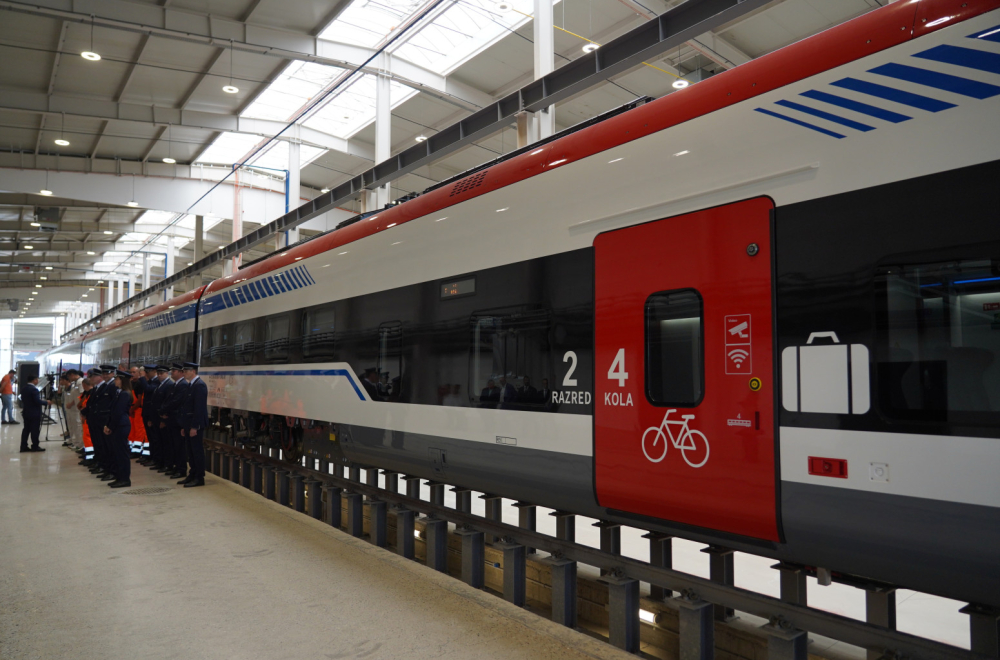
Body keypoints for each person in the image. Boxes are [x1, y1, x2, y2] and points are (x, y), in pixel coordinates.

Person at [177, 362, 208, 488]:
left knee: (196, 451)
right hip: (188, 424)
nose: (184, 373)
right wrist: (184, 426)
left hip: (195, 425)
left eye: (186, 371)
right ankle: (193, 473)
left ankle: (199, 477)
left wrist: (195, 427)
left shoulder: (199, 385)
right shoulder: (191, 385)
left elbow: (199, 408)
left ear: (193, 371)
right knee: (190, 451)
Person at [103, 369, 133, 488]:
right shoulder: (119, 392)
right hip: (117, 425)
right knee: (117, 453)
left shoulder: (125, 394)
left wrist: (110, 426)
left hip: (121, 425)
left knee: (122, 454)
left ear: (122, 380)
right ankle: (119, 477)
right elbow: (112, 411)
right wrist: (108, 424)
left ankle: (125, 479)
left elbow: (118, 412)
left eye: (117, 378)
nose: (115, 380)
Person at [159, 363, 189, 479]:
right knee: (173, 445)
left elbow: (176, 401)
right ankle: (176, 467)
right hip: (171, 419)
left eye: (174, 371)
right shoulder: (175, 384)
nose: (172, 372)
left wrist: (163, 410)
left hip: (177, 420)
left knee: (179, 446)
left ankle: (181, 469)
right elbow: (168, 400)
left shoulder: (183, 385)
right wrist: (164, 411)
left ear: (181, 372)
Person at [90, 366, 119, 482]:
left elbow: (112, 405)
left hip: (106, 421)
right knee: (103, 446)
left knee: (109, 448)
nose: (105, 375)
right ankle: (106, 467)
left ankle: (111, 470)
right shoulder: (106, 386)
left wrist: (109, 422)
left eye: (108, 373)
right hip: (100, 420)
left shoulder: (112, 386)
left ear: (113, 374)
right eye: (104, 373)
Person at [147, 365, 175, 474]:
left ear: (167, 373)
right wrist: (151, 418)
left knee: (165, 443)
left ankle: (167, 464)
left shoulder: (169, 385)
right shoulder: (160, 384)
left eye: (161, 373)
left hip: (162, 418)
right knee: (158, 441)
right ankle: (160, 462)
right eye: (158, 373)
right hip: (156, 418)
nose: (159, 375)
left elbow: (167, 402)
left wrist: (163, 420)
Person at [18, 374, 46, 452]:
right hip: (34, 413)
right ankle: (35, 446)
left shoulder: (24, 388)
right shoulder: (34, 390)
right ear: (34, 380)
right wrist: (46, 402)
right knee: (35, 430)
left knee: (26, 430)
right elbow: (37, 401)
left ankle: (23, 446)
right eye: (37, 379)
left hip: (26, 411)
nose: (38, 381)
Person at [137, 365, 157, 465]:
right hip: (147, 413)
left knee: (153, 438)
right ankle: (150, 456)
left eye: (148, 372)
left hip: (152, 414)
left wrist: (142, 377)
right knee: (150, 437)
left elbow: (148, 389)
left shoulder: (156, 381)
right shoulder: (150, 381)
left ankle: (154, 458)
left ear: (154, 371)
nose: (147, 374)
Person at [128, 366, 148, 459]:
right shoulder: (131, 383)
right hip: (132, 409)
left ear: (139, 373)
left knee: (139, 430)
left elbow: (139, 400)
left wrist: (132, 410)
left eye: (134, 372)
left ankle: (137, 451)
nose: (132, 374)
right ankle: (133, 449)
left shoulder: (140, 383)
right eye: (131, 372)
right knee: (132, 430)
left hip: (138, 409)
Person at [77, 378, 95, 466]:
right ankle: (88, 454)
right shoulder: (87, 393)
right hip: (86, 417)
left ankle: (90, 457)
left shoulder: (91, 393)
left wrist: (84, 413)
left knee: (88, 437)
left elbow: (88, 406)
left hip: (88, 417)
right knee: (86, 436)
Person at [64, 370, 84, 450]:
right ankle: (76, 442)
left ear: (72, 375)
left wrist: (79, 405)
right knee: (75, 426)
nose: (69, 379)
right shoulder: (75, 383)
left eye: (69, 376)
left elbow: (83, 395)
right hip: (75, 408)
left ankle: (80, 444)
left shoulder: (80, 382)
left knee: (78, 427)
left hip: (78, 408)